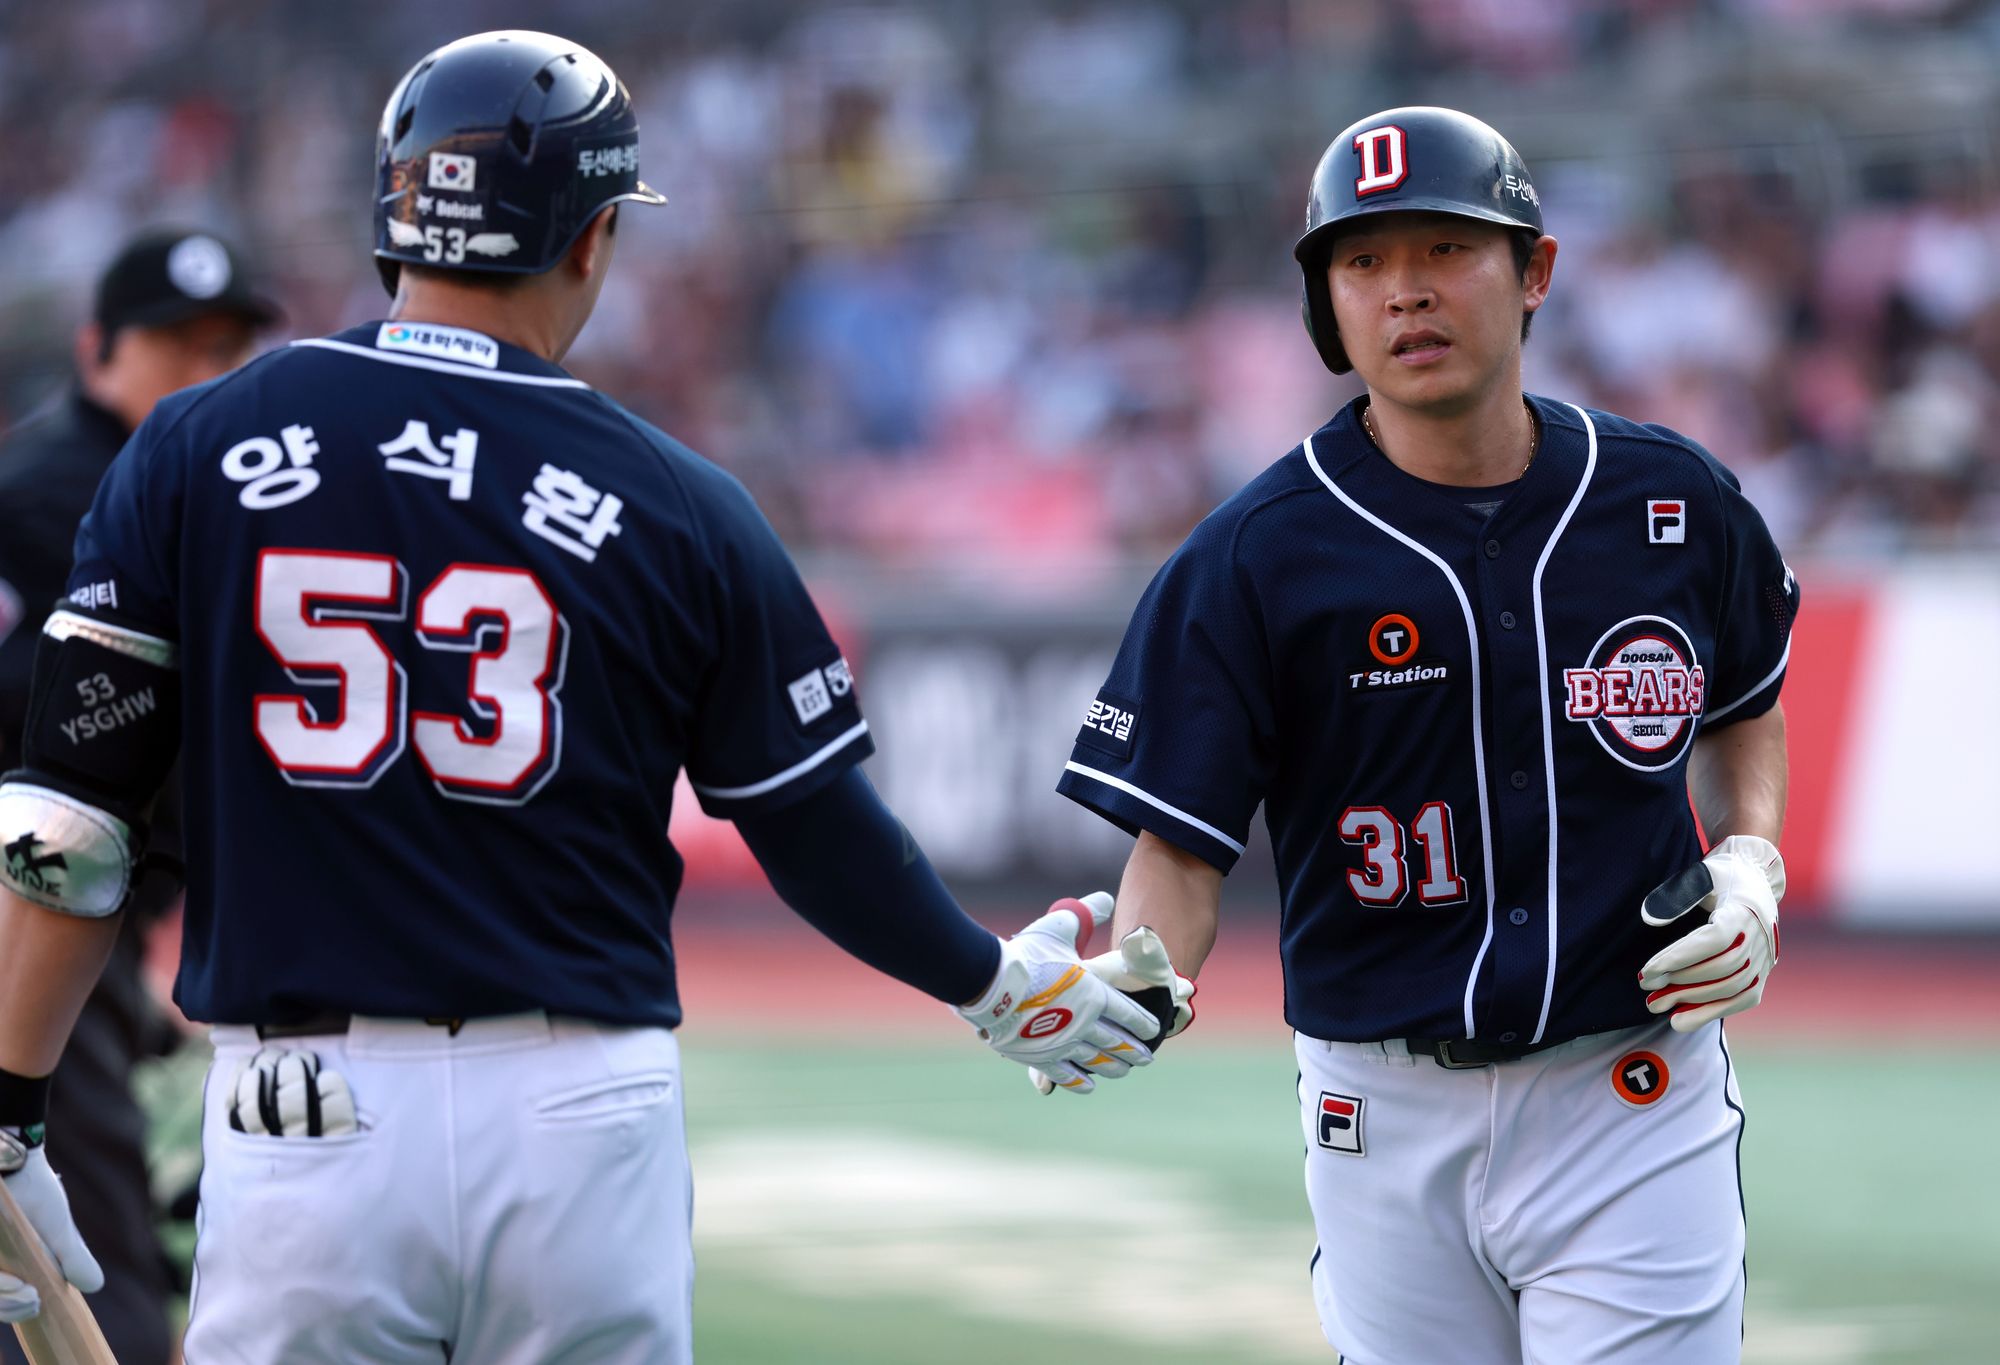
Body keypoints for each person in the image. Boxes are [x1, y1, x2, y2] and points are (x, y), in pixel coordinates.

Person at [0, 30, 1162, 1364]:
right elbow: (815, 829)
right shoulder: (677, 497)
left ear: (392, 216)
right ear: (595, 237)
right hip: (578, 1117)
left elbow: (65, 834)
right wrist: (998, 984)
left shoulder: (196, 444)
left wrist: (8, 1101)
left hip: (304, 1114)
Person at [1053, 107, 1795, 1363]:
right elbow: (1177, 858)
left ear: (1533, 272)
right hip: (1372, 1110)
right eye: (1362, 263)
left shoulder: (1672, 500)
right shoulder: (1252, 553)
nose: (1406, 293)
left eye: (1445, 250)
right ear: (1325, 308)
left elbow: (1743, 715)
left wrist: (1748, 861)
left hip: (1632, 1086)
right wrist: (1135, 987)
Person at [0, 226, 279, 1365]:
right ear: (96, 350)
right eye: (175, 343)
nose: (206, 367)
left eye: (227, 344)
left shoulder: (191, 484)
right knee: (90, 1258)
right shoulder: (50, 493)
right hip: (36, 910)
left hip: (85, 918)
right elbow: (60, 758)